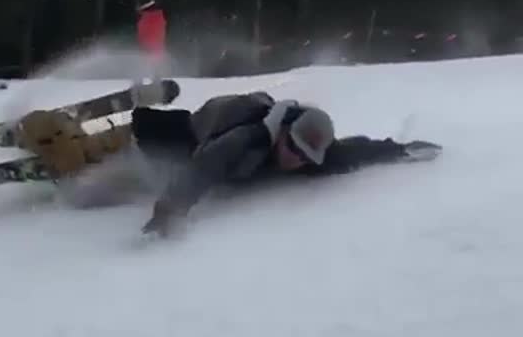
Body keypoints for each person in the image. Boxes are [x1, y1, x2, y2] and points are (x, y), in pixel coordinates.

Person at [129, 92, 442, 237]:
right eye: (293, 146)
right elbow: (205, 166)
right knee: (147, 134)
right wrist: (171, 206)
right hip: (202, 128)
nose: (296, 159)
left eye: (306, 156)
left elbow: (354, 151)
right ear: (282, 132)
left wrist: (398, 150)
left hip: (233, 126)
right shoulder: (245, 140)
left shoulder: (312, 155)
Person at [135, 0, 167, 69]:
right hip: (155, 53)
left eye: (138, 5)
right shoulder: (157, 15)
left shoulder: (149, 18)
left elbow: (148, 37)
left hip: (150, 52)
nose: (137, 8)